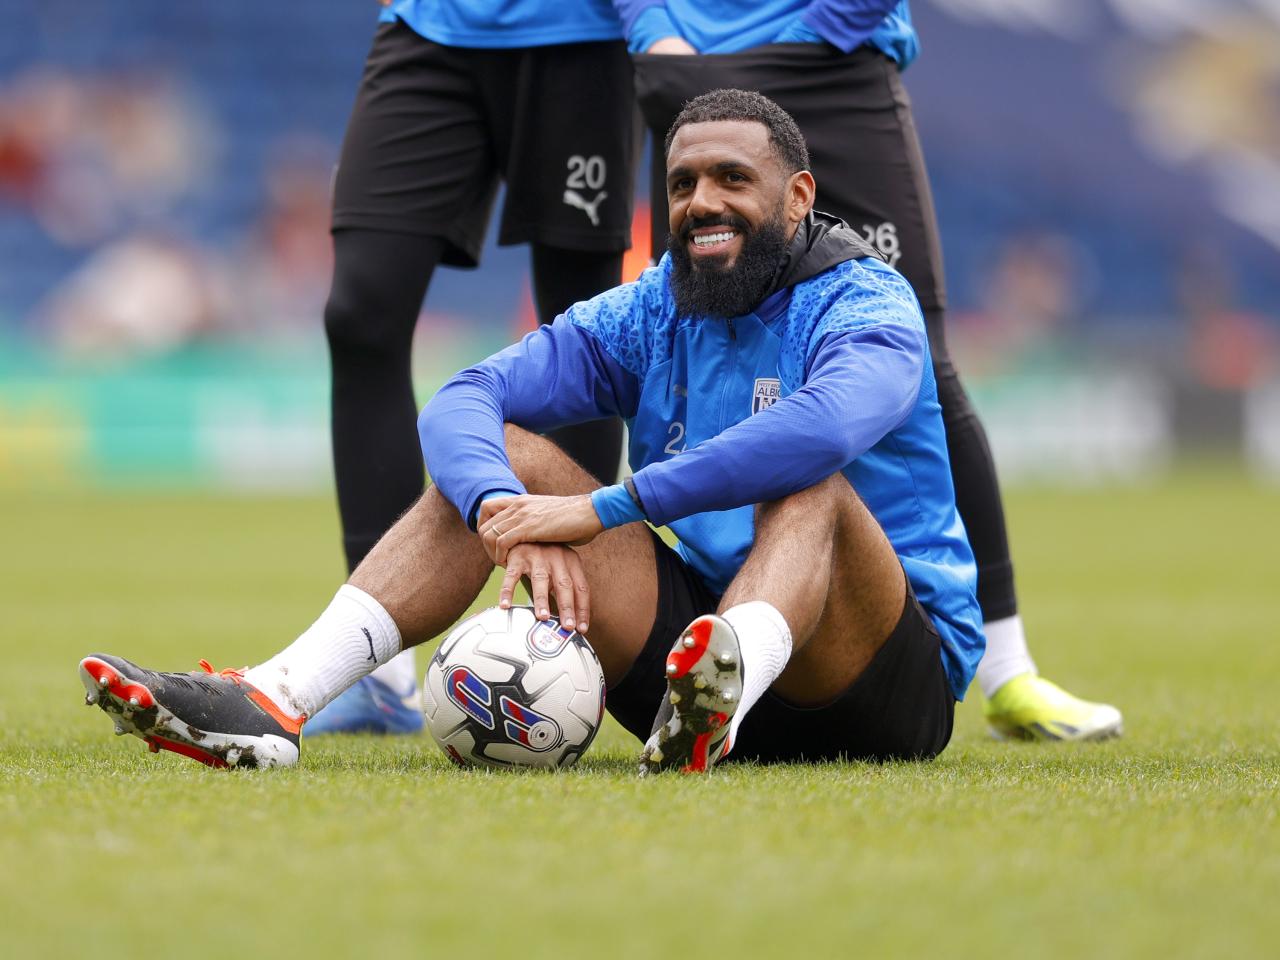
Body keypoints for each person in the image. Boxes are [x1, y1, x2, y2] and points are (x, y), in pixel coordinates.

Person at [78, 90, 981, 773]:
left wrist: (601, 509)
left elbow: (820, 433)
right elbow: (464, 397)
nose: (702, 202)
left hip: (879, 680)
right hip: (685, 669)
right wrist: (507, 514)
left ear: (798, 197)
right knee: (503, 455)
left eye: (732, 180)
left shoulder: (866, 303)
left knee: (808, 481)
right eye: (681, 183)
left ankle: (731, 678)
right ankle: (274, 700)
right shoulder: (651, 310)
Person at [614, 0, 1121, 740]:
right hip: (682, 62)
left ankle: (1009, 672)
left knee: (917, 356)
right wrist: (651, 29)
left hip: (826, 58)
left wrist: (806, 37)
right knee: (688, 319)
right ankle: (678, 631)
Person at [312, 0, 636, 734]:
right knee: (360, 314)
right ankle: (378, 671)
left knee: (583, 328)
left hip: (580, 32)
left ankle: (569, 644)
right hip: (429, 24)